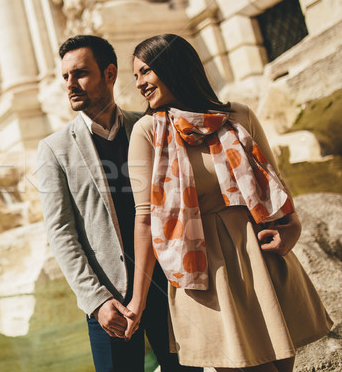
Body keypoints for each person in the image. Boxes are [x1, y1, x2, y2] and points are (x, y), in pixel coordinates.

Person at [125, 33, 333, 371]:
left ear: (173, 67)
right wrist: (138, 299)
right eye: (136, 76)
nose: (140, 84)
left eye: (146, 71)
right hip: (206, 273)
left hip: (262, 259)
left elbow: (277, 185)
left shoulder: (239, 115)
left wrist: (292, 230)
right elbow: (145, 219)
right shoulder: (147, 132)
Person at [37, 35, 199, 372]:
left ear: (109, 74)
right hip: (108, 302)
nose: (71, 84)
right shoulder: (53, 149)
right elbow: (61, 234)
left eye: (80, 73)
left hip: (167, 287)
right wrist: (96, 301)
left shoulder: (149, 128)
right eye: (65, 76)